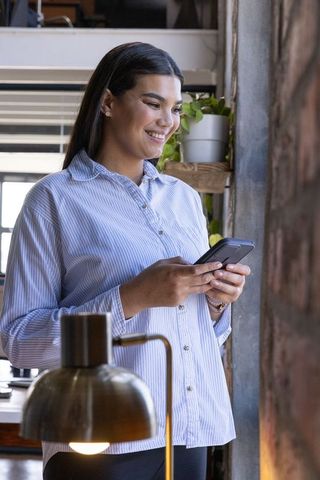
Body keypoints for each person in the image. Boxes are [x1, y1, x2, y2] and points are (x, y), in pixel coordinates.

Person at [0, 42, 251, 480]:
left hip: (190, 431)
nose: (168, 122)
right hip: (101, 438)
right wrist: (132, 297)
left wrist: (214, 304)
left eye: (175, 109)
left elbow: (196, 333)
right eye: (153, 104)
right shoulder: (54, 200)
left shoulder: (184, 200)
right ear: (109, 102)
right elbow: (18, 340)